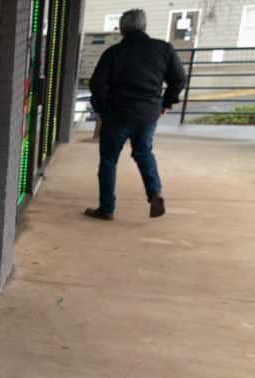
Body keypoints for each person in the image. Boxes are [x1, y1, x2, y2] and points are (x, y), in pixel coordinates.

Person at [85, 9, 186, 221]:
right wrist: (165, 103)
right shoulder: (164, 49)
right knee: (143, 153)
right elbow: (179, 79)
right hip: (148, 113)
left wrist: (102, 109)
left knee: (109, 160)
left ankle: (107, 208)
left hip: (117, 113)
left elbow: (97, 83)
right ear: (144, 26)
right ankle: (154, 192)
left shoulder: (114, 53)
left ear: (122, 29)